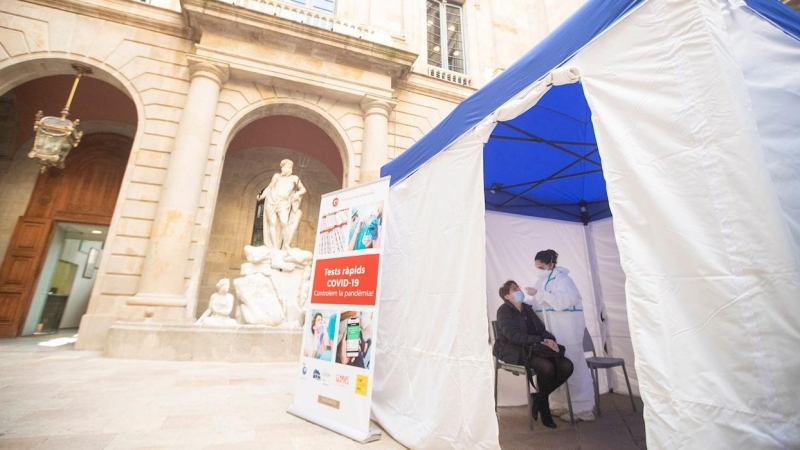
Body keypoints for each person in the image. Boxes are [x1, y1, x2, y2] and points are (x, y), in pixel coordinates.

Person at [525, 249, 596, 422]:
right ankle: (559, 405)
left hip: (568, 333)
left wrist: (539, 295)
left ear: (550, 264)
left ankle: (581, 409)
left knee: (573, 368)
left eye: (540, 266)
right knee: (554, 368)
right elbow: (537, 306)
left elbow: (561, 303)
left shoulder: (565, 281)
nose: (538, 269)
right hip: (553, 335)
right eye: (536, 267)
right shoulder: (541, 281)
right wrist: (524, 302)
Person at [495, 280, 573, 428]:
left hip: (533, 348)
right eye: (514, 289)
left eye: (518, 287)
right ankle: (544, 408)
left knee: (567, 365)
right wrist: (540, 340)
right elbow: (513, 335)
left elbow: (541, 330)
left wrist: (550, 340)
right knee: (547, 368)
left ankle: (538, 398)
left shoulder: (527, 309)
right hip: (514, 351)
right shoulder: (504, 311)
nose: (518, 290)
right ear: (507, 296)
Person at [257, 159, 307, 250]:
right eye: (287, 166)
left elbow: (303, 189)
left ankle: (286, 244)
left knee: (284, 223)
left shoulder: (294, 178)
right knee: (272, 223)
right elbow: (269, 187)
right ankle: (274, 246)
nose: (288, 168)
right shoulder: (277, 176)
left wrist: (297, 194)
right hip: (271, 200)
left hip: (283, 203)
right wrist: (262, 196)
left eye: (290, 167)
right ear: (283, 167)